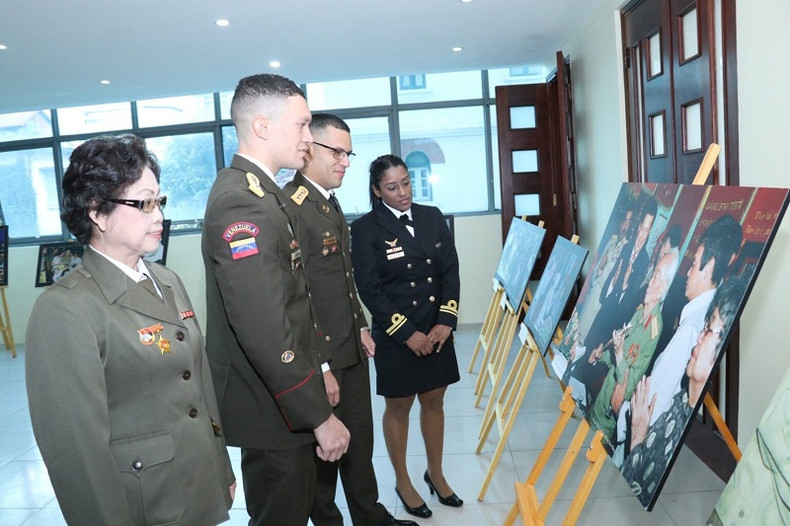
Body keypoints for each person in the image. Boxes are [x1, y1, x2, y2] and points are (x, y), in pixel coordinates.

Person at [25, 134, 235, 525]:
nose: (158, 216)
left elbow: (198, 388)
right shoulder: (66, 308)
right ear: (97, 212)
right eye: (143, 204)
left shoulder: (167, 280)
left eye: (159, 201)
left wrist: (221, 468)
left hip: (197, 485)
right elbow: (76, 450)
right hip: (144, 502)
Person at [202, 74, 350, 526]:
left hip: (286, 395)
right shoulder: (241, 203)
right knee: (279, 514)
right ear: (262, 126)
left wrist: (319, 368)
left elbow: (294, 301)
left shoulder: (265, 192)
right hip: (271, 405)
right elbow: (265, 326)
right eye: (302, 125)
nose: (309, 137)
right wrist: (317, 415)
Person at [284, 114, 416, 526]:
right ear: (309, 148)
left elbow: (341, 278)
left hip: (349, 345)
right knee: (326, 449)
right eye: (336, 151)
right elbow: (297, 293)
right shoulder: (293, 207)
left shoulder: (328, 200)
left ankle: (369, 516)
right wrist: (320, 364)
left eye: (348, 152)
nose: (345, 161)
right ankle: (327, 520)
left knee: (358, 440)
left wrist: (360, 324)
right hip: (321, 354)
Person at [351, 154, 463, 519]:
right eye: (392, 186)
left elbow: (450, 270)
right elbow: (369, 288)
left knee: (434, 401)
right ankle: (402, 479)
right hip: (398, 333)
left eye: (406, 183)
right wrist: (407, 334)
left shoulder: (432, 216)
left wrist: (445, 321)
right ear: (376, 190)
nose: (403, 192)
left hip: (435, 331)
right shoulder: (366, 229)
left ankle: (436, 473)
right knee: (398, 407)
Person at [622, 277, 745, 508]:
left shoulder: (680, 411)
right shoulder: (679, 401)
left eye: (709, 330)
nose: (699, 336)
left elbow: (638, 480)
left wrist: (638, 436)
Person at [644, 215, 742, 425]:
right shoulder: (710, 311)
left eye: (694, 264)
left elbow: (654, 401)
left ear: (708, 269)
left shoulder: (691, 329)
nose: (687, 272)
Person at [585, 249, 678, 446]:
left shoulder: (653, 331)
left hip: (608, 417)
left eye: (656, 277)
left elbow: (628, 387)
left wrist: (618, 354)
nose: (650, 282)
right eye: (652, 274)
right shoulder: (639, 314)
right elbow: (619, 354)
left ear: (664, 288)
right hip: (600, 401)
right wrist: (601, 355)